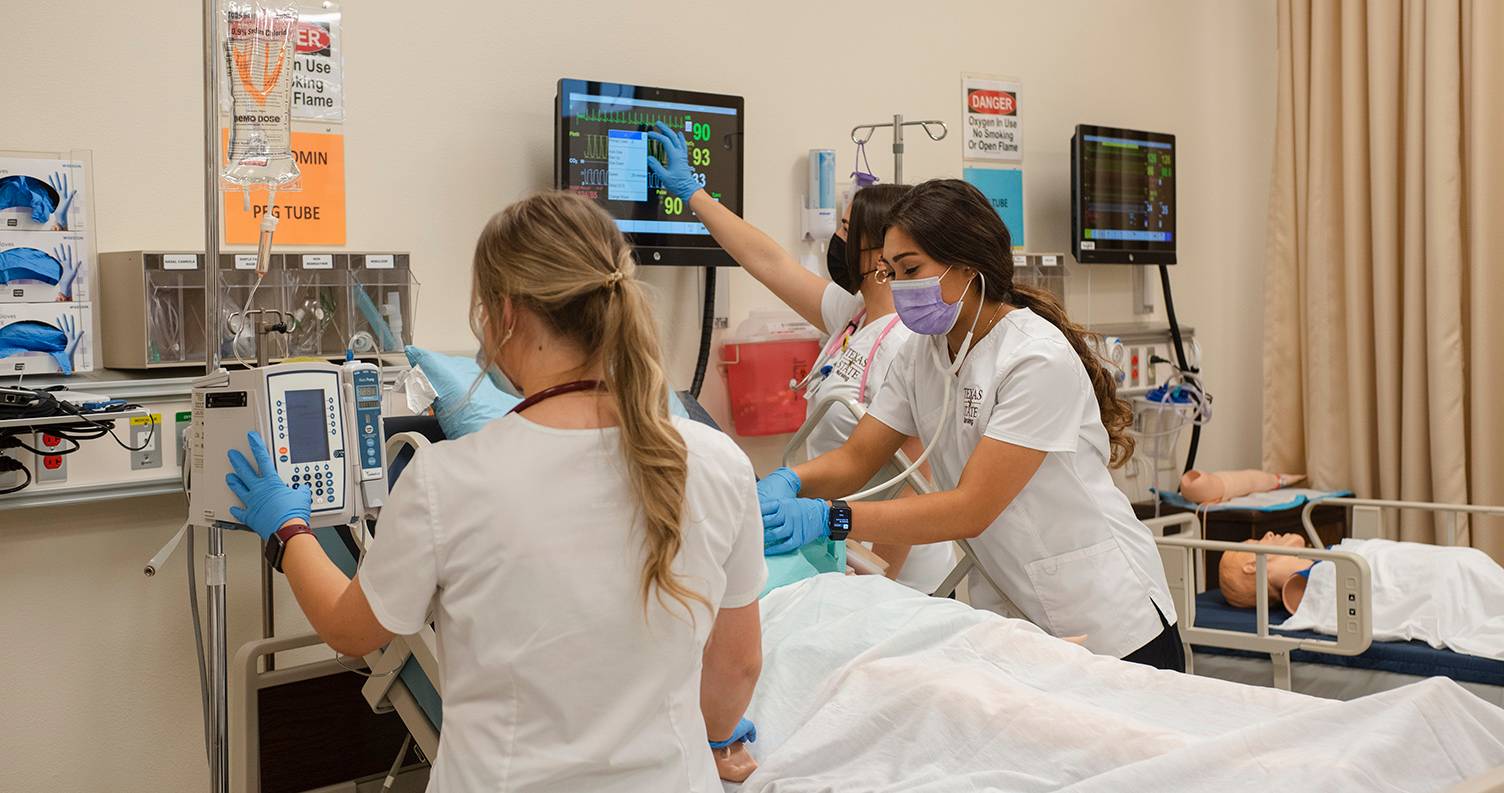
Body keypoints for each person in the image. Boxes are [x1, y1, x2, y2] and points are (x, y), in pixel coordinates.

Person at [222, 191, 767, 791]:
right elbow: (736, 667)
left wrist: (288, 529)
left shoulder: (447, 481)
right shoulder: (719, 463)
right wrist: (711, 739)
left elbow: (350, 630)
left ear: (505, 313)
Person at [754, 179, 1184, 671]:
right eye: (890, 271)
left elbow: (971, 508)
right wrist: (787, 482)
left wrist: (830, 517)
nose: (898, 286)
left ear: (968, 264)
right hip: (1013, 611)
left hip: (1109, 617)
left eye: (911, 269)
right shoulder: (921, 354)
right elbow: (857, 458)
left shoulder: (1034, 357)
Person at [646, 121, 954, 593]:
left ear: (881, 255)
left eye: (846, 230)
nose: (835, 239)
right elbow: (768, 260)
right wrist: (695, 194)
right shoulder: (853, 315)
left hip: (893, 570)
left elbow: (919, 474)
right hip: (841, 543)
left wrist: (880, 579)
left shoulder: (904, 342)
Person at [1220, 532, 1504, 661]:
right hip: (1445, 582)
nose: (1268, 533)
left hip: (1450, 569)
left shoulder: (1326, 566)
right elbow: (1386, 596)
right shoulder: (1309, 590)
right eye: (1258, 542)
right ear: (1251, 565)